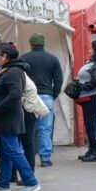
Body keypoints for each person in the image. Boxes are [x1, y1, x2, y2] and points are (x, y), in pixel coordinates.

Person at [0, 42, 40, 191]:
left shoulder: (14, 71)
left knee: (13, 150)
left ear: (6, 57)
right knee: (4, 150)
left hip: (8, 117)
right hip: (4, 118)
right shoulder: (9, 70)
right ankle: (4, 183)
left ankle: (31, 182)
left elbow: (15, 94)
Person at [22, 32, 63, 167]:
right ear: (43, 43)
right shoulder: (53, 59)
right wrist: (53, 94)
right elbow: (58, 80)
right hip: (46, 96)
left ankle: (27, 156)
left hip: (29, 96)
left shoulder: (24, 58)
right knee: (45, 128)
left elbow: (20, 78)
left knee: (28, 128)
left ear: (31, 44)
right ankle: (45, 158)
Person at [75, 41, 96, 162]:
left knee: (92, 125)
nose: (89, 50)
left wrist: (83, 87)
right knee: (89, 124)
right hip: (90, 97)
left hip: (93, 97)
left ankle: (95, 152)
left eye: (91, 48)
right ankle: (92, 149)